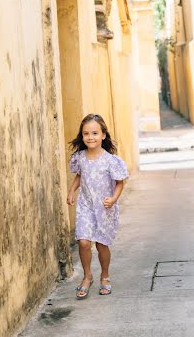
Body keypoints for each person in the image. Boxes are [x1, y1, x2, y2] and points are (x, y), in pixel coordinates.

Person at [67, 113, 128, 299]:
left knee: (101, 244)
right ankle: (87, 276)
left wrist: (114, 198)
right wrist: (71, 192)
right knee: (84, 241)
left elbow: (120, 182)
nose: (90, 137)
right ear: (82, 136)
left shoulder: (111, 160)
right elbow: (80, 176)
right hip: (86, 204)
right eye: (86, 133)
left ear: (103, 135)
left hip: (104, 207)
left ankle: (105, 275)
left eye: (94, 133)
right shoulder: (80, 158)